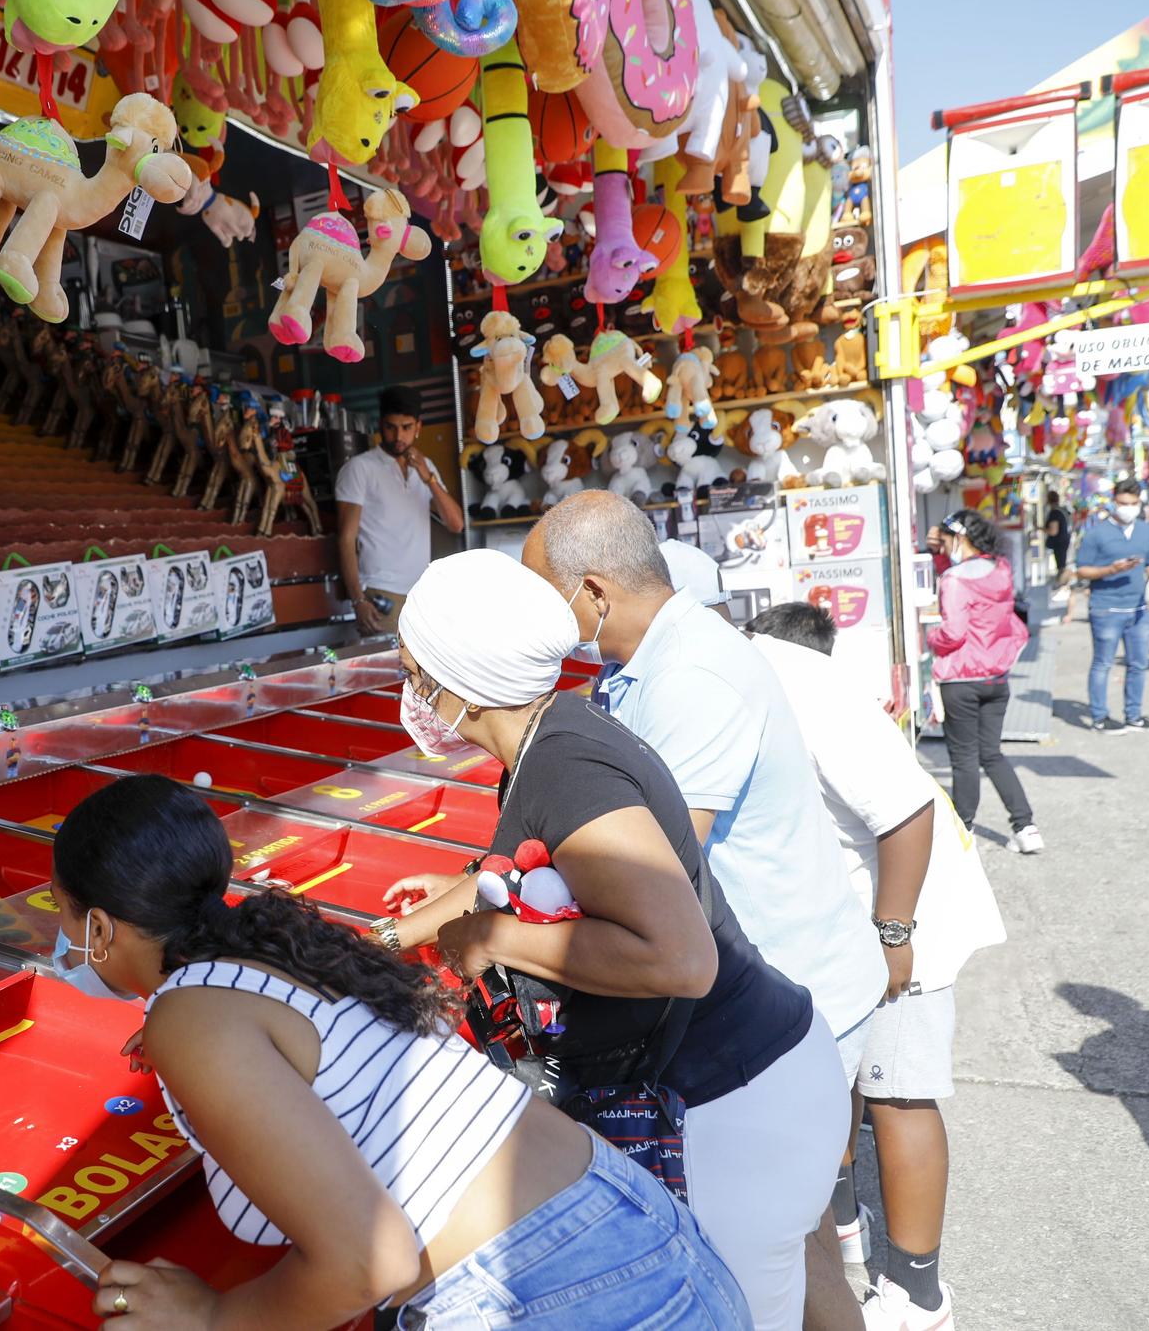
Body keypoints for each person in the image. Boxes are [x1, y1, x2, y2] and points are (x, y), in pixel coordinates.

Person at [53, 775, 750, 1330]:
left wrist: (213, 1316)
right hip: (639, 1231)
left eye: (63, 917)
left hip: (548, 1289)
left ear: (101, 926)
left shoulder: (190, 1013)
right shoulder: (272, 949)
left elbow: (369, 1260)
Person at [379, 548, 843, 1331]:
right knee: (799, 1285)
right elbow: (524, 865)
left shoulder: (567, 768)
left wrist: (495, 934)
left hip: (732, 1103)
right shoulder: (549, 739)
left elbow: (679, 957)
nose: (413, 695)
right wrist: (405, 931)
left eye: (416, 674)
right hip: (769, 1075)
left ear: (459, 681)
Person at [523, 493, 885, 1073]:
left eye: (543, 598)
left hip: (787, 993)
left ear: (592, 592)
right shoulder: (638, 663)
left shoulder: (690, 675)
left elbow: (659, 860)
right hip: (759, 979)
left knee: (789, 1160)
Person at [745, 603, 1007, 1331]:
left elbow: (904, 811)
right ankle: (845, 1229)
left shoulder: (797, 686)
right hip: (838, 924)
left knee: (898, 1091)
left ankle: (918, 1295)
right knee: (830, 1079)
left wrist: (893, 932)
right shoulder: (756, 674)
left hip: (902, 912)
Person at [925, 510, 1043, 851]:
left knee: (963, 759)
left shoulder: (954, 579)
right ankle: (1026, 827)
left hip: (961, 679)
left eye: (947, 543)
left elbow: (953, 633)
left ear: (959, 538)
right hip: (996, 677)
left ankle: (963, 832)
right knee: (992, 754)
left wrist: (932, 638)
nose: (945, 550)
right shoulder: (1002, 570)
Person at [334, 385, 464, 635]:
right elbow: (346, 539)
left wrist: (429, 478)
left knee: (424, 673)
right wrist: (358, 599)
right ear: (380, 426)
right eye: (391, 427)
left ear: (418, 427)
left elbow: (456, 524)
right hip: (380, 593)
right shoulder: (360, 468)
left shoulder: (426, 468)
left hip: (421, 595)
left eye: (406, 427)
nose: (398, 436)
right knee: (390, 672)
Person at [1073, 479, 1149, 734]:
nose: (1128, 508)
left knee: (1138, 664)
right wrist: (1110, 569)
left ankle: (1134, 715)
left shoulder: (1147, 532)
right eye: (1123, 503)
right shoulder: (1096, 533)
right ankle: (1099, 717)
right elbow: (1081, 570)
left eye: (1133, 504)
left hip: (1138, 610)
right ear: (1114, 502)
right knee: (1103, 663)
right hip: (1106, 609)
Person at [1043, 489, 1072, 603]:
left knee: (1061, 566)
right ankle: (1064, 588)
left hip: (1059, 542)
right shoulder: (1063, 510)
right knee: (1062, 565)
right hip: (1064, 541)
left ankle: (1064, 588)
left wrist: (1040, 529)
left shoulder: (1054, 513)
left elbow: (1053, 531)